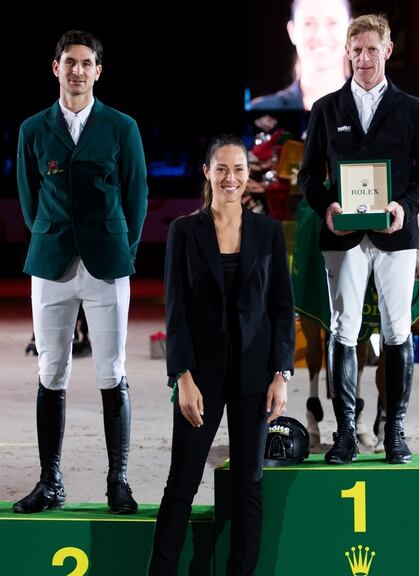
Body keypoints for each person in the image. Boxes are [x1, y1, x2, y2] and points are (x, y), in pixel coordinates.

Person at [298, 13, 419, 465]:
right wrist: (327, 207)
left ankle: (394, 432)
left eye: (371, 49)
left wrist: (404, 206)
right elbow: (308, 177)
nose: (363, 58)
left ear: (387, 51)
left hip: (394, 235)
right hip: (343, 237)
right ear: (348, 53)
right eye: (356, 50)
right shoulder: (325, 109)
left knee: (397, 330)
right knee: (343, 331)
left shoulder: (412, 109)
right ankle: (345, 433)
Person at [14, 30, 148, 515]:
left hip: (108, 263)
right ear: (55, 68)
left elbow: (137, 197)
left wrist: (119, 248)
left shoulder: (121, 127)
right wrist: (51, 236)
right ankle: (50, 482)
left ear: (98, 71)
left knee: (112, 372)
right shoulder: (33, 129)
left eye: (85, 62)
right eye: (68, 61)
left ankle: (119, 481)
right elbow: (29, 201)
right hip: (50, 264)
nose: (76, 70)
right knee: (51, 372)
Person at [149, 135, 294, 575]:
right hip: (202, 375)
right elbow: (175, 309)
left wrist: (280, 374)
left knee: (249, 483)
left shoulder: (268, 232)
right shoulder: (183, 231)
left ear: (249, 177)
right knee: (183, 482)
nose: (230, 178)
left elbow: (281, 307)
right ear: (207, 173)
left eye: (239, 170)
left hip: (255, 373)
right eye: (222, 169)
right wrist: (183, 377)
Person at [249, 0, 352, 111]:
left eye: (332, 23)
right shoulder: (261, 111)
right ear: (292, 31)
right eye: (308, 23)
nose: (320, 35)